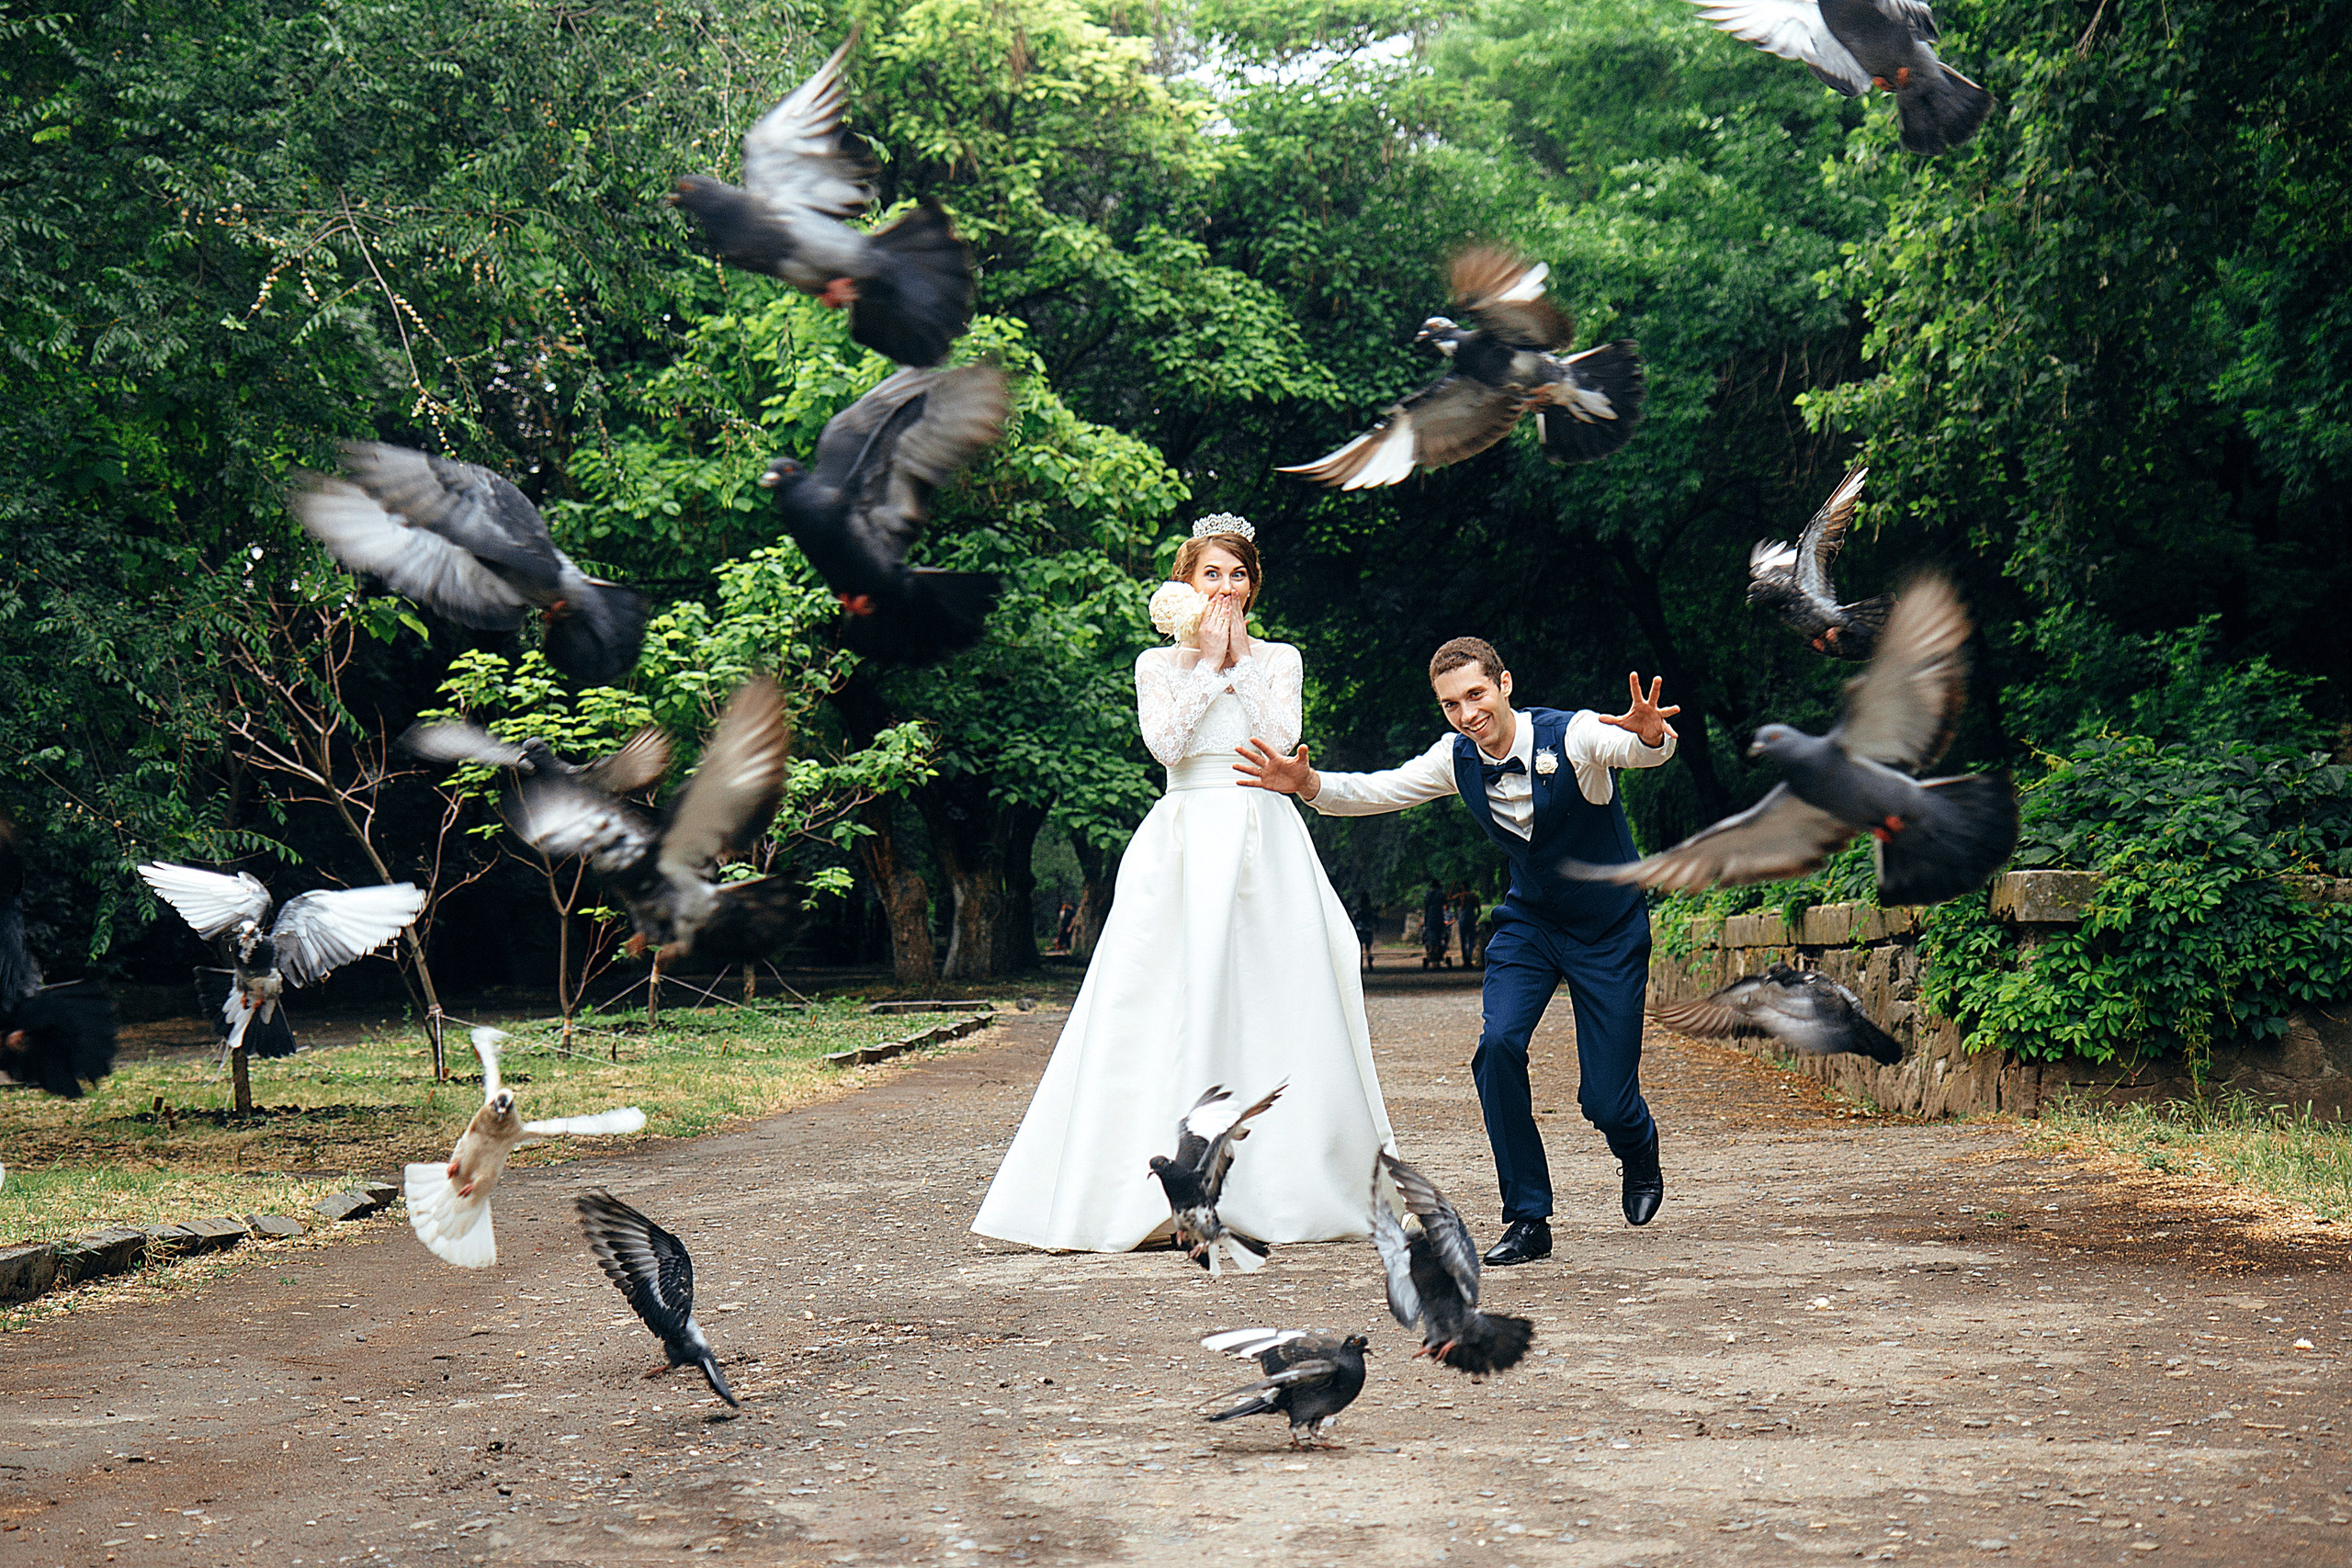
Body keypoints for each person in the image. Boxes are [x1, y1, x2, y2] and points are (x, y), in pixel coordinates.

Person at [974, 515, 1394, 1254]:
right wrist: (1207, 664)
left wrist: (1238, 661)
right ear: (1188, 583)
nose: (1226, 587)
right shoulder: (1156, 663)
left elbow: (1278, 738)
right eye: (1212, 574)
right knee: (1165, 993)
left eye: (1238, 575)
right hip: (1186, 836)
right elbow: (1166, 745)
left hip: (1264, 835)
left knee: (1278, 990)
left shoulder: (1280, 657)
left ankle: (1287, 1181)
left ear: (1252, 587)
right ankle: (1157, 1190)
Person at [1236, 637, 1679, 1267]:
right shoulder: (1456, 757)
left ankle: (1637, 1145)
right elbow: (1379, 790)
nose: (1467, 713)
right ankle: (1528, 1217)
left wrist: (1651, 737)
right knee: (1497, 1047)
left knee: (1605, 1101)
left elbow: (1630, 748)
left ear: (1504, 684)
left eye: (1476, 694)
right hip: (1530, 926)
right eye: (1451, 704)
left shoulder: (1573, 736)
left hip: (1608, 930)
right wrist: (1308, 784)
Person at [1420, 882, 1452, 969]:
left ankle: (1431, 954)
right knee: (1439, 937)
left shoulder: (1427, 895)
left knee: (1431, 938)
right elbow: (1446, 905)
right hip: (1439, 919)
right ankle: (1438, 955)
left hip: (1430, 920)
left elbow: (1426, 908)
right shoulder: (1441, 895)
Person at [1457, 886, 1483, 970]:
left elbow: (1449, 899)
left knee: (1463, 941)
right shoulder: (1474, 897)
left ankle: (1465, 960)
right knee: (1471, 940)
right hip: (1471, 920)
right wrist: (1475, 919)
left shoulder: (1461, 896)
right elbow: (1479, 911)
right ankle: (1469, 957)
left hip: (1462, 920)